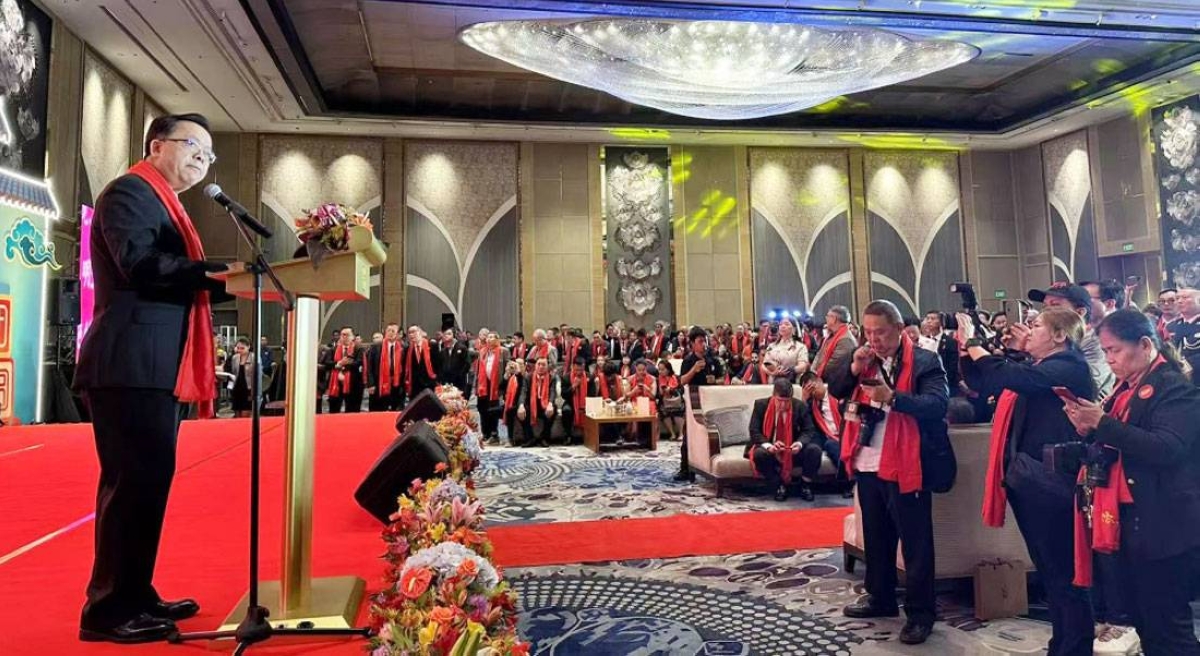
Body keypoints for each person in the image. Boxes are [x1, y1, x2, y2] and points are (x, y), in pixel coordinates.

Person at [74, 113, 229, 643]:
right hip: (129, 363)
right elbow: (139, 264)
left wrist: (221, 277)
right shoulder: (130, 193)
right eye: (194, 147)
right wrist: (217, 274)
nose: (201, 159)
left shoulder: (166, 201)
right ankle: (108, 610)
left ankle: (135, 593)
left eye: (208, 155)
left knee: (147, 485)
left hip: (154, 365)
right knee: (131, 485)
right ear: (157, 145)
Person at [958, 307, 1096, 656]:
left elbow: (1015, 378)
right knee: (1051, 571)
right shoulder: (1039, 366)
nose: (1028, 331)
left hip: (1054, 483)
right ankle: (1061, 643)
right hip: (1031, 479)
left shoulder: (1070, 364)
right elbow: (987, 381)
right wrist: (966, 350)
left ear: (1060, 336)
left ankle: (1074, 646)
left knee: (1066, 573)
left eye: (1036, 326)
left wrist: (978, 344)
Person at [1063, 309, 1200, 656]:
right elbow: (1119, 444)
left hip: (1163, 523)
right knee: (1144, 620)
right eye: (1105, 352)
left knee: (1168, 624)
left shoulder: (1172, 387)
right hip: (1131, 521)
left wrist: (1103, 424)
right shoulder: (1125, 389)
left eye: (1116, 350)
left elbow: (1167, 447)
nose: (1110, 360)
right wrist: (1089, 428)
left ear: (1144, 344)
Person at [828, 300, 956, 646]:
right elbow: (835, 389)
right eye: (868, 332)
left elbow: (937, 405)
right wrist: (854, 368)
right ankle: (880, 597)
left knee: (915, 544)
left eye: (880, 332)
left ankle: (920, 613)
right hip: (867, 459)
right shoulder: (864, 357)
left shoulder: (926, 361)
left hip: (907, 463)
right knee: (876, 536)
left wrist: (893, 398)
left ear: (899, 329)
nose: (874, 339)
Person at [1030, 283, 1114, 398]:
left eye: (1055, 306)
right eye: (1045, 307)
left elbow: (1085, 389)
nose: (1046, 313)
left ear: (1079, 313)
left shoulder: (1097, 342)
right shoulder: (1046, 336)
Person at [747, 378, 820, 502]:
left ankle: (805, 485)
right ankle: (779, 485)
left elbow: (809, 430)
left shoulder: (799, 406)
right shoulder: (761, 405)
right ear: (773, 396)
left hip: (791, 449)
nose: (783, 405)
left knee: (815, 450)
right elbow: (754, 431)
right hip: (770, 448)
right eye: (780, 401)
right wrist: (769, 446)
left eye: (787, 402)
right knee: (759, 454)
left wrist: (799, 444)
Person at [679, 327, 723, 482]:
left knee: (710, 435)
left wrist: (715, 381)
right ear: (692, 344)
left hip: (711, 401)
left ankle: (709, 467)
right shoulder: (688, 360)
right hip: (693, 402)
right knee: (689, 435)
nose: (703, 344)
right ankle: (685, 469)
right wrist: (694, 370)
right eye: (700, 341)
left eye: (705, 341)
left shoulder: (713, 359)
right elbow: (682, 381)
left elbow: (722, 380)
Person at [474, 332, 508, 444]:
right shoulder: (482, 351)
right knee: (482, 409)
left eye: (492, 337)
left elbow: (508, 368)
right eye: (488, 337)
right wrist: (476, 386)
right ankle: (485, 433)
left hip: (496, 385)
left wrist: (504, 385)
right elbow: (478, 371)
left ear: (497, 339)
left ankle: (494, 434)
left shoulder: (503, 351)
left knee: (493, 410)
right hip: (483, 385)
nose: (489, 339)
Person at [364, 323, 406, 412]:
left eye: (393, 331)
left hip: (396, 384)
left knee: (395, 411)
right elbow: (369, 367)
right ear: (385, 332)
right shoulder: (376, 347)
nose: (390, 333)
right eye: (388, 330)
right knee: (378, 410)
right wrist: (370, 384)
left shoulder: (403, 348)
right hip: (379, 383)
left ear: (398, 334)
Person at [322, 327, 363, 413]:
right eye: (343, 335)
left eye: (347, 335)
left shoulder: (358, 349)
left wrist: (342, 366)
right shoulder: (333, 349)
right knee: (334, 410)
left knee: (352, 411)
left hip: (353, 384)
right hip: (336, 384)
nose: (345, 337)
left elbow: (358, 363)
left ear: (353, 337)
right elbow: (327, 363)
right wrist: (338, 363)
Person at [518, 357, 557, 447]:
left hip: (545, 404)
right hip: (532, 404)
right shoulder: (528, 377)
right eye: (539, 364)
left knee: (552, 410)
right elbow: (523, 392)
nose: (541, 367)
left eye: (543, 365)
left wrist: (550, 403)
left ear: (548, 366)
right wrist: (521, 405)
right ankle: (530, 438)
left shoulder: (552, 378)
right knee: (521, 410)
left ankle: (544, 438)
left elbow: (552, 392)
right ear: (535, 365)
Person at [762, 318, 809, 382]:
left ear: (794, 329)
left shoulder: (800, 347)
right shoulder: (772, 346)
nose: (782, 326)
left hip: (793, 380)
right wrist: (773, 372)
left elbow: (803, 366)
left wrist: (789, 370)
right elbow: (764, 364)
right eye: (781, 324)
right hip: (773, 380)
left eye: (786, 324)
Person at [225, 337, 257, 418]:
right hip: (236, 388)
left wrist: (253, 392)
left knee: (245, 413)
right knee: (237, 413)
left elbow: (256, 376)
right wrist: (230, 387)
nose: (240, 350)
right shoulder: (235, 358)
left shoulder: (254, 358)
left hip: (248, 389)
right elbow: (232, 373)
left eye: (242, 348)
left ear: (248, 347)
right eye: (238, 348)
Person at [560, 357, 589, 445]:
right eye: (576, 370)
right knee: (566, 410)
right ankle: (568, 435)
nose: (579, 372)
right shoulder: (566, 377)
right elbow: (564, 395)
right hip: (571, 402)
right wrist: (573, 386)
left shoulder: (589, 376)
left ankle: (590, 435)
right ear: (572, 366)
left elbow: (592, 394)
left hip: (586, 402)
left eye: (581, 370)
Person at [405, 325, 438, 397]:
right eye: (409, 333)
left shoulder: (432, 345)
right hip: (415, 386)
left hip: (429, 383)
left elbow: (437, 364)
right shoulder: (408, 349)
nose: (411, 334)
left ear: (420, 332)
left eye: (413, 332)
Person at [500, 359, 527, 447]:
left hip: (524, 403)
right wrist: (506, 375)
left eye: (519, 365)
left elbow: (521, 389)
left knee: (510, 411)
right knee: (491, 411)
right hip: (511, 403)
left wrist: (518, 372)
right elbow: (501, 389)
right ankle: (493, 435)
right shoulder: (512, 377)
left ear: (524, 366)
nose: (516, 367)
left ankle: (512, 439)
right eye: (515, 365)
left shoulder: (525, 376)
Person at [657, 360, 684, 440]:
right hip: (664, 401)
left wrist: (671, 390)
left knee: (678, 411)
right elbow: (658, 395)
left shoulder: (676, 377)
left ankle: (681, 433)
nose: (661, 371)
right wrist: (662, 391)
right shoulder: (658, 379)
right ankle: (672, 433)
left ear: (668, 369)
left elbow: (681, 390)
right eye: (659, 369)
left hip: (676, 399)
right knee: (664, 412)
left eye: (663, 369)